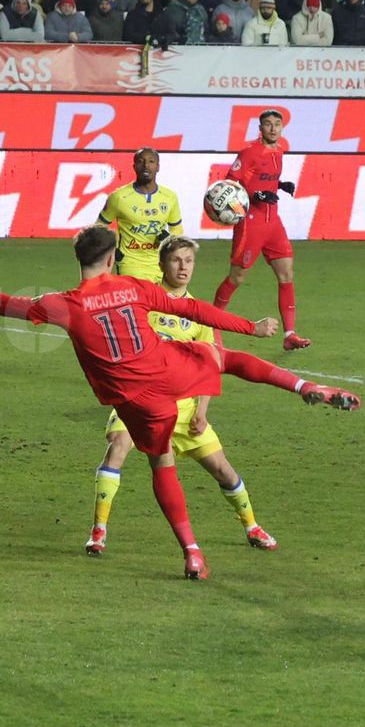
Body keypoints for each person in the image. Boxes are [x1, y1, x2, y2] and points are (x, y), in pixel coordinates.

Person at [0, 225, 359, 579]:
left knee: (162, 464)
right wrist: (251, 327)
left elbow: (4, 305)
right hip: (167, 369)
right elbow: (195, 311)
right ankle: (304, 387)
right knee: (224, 358)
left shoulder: (62, 305)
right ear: (112, 258)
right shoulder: (134, 287)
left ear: (79, 258)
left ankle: (192, 552)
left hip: (135, 401)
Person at [87, 236, 278, 557]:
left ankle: (252, 526)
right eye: (177, 260)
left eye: (189, 261)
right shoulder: (142, 302)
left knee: (222, 469)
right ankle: (98, 531)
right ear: (162, 264)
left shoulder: (198, 314)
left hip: (186, 407)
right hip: (140, 398)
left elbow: (210, 364)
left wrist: (202, 411)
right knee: (118, 447)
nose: (183, 267)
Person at [212, 110, 306, 349]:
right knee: (237, 277)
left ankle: (290, 335)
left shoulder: (279, 152)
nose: (273, 129)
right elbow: (230, 183)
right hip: (251, 223)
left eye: (277, 124)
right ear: (260, 128)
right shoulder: (249, 153)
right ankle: (210, 325)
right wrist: (255, 194)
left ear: (282, 128)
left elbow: (266, 178)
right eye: (268, 124)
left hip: (273, 223)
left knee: (286, 275)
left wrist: (280, 185)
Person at [97, 147, 183, 283]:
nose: (146, 166)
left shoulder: (170, 197)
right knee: (142, 303)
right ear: (134, 167)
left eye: (151, 162)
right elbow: (99, 228)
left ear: (158, 167)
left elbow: (177, 230)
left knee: (179, 303)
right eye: (141, 162)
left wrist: (170, 239)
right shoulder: (119, 197)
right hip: (130, 264)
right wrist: (111, 249)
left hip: (162, 264)